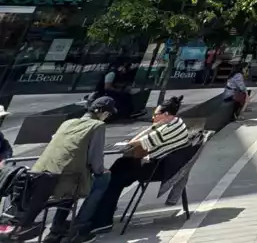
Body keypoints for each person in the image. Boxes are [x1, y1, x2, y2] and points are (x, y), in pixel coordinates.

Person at [69, 96, 192, 241]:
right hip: (162, 164)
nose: (153, 117)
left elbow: (136, 143)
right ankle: (104, 213)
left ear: (166, 115)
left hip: (160, 169)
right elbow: (142, 138)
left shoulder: (167, 129)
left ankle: (103, 220)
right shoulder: (175, 122)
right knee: (118, 167)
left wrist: (149, 129)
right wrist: (152, 126)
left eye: (156, 114)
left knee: (112, 178)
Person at [0, 97, 115, 243]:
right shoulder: (97, 125)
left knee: (72, 181)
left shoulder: (67, 122)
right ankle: (79, 227)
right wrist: (100, 171)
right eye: (108, 114)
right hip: (64, 183)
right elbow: (96, 160)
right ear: (103, 112)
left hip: (38, 181)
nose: (108, 118)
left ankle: (57, 228)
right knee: (102, 179)